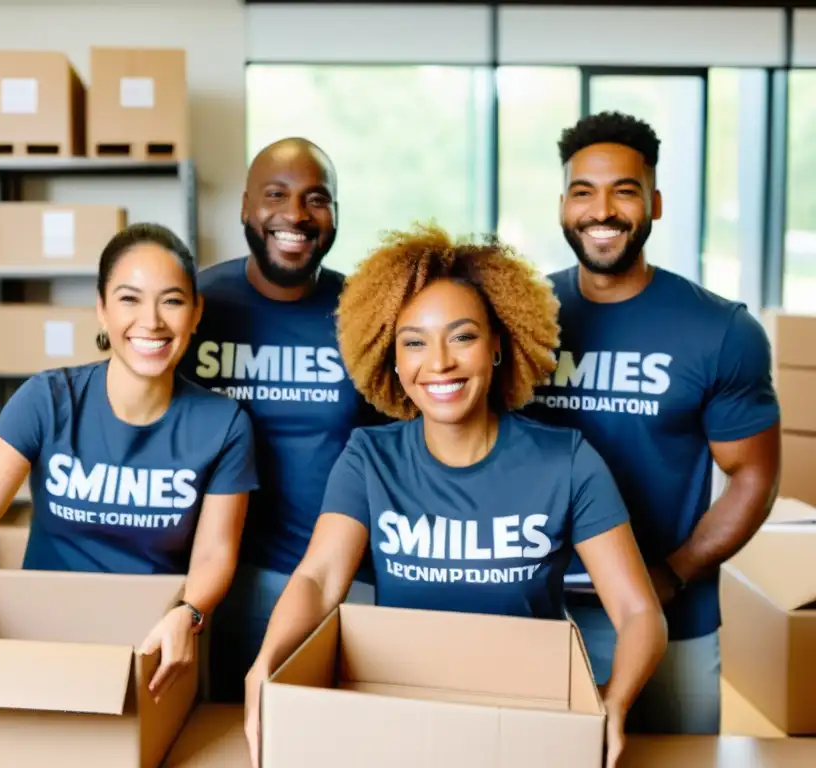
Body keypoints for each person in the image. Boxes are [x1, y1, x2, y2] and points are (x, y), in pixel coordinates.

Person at [243, 223, 668, 768]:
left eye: (463, 336)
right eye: (414, 342)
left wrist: (615, 700)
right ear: (392, 359)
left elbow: (638, 612)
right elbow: (318, 578)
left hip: (525, 726)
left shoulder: (566, 461)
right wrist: (265, 664)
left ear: (497, 344)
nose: (438, 361)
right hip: (400, 720)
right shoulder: (369, 457)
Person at [0, 223, 259, 699]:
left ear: (196, 313)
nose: (151, 320)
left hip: (150, 645)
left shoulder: (224, 424)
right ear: (101, 311)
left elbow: (214, 554)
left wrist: (188, 612)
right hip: (45, 639)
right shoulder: (48, 398)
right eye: (129, 299)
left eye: (171, 300)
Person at [525, 111, 781, 735]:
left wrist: (675, 572)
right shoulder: (522, 316)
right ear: (563, 205)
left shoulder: (719, 331)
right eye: (583, 191)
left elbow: (753, 477)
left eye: (625, 190)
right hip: (538, 612)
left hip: (672, 615)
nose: (602, 210)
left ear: (655, 203)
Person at [182, 137, 380, 703]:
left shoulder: (365, 313)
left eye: (317, 199)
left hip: (341, 580)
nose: (295, 214)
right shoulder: (198, 305)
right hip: (219, 582)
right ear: (245, 206)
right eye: (276, 195)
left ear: (336, 214)